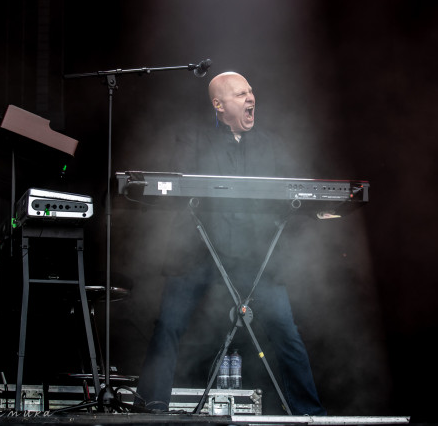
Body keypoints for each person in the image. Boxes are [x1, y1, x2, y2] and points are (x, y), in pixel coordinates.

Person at [135, 72, 326, 416]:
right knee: (169, 325)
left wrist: (318, 208)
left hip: (254, 255)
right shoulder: (192, 139)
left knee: (285, 330)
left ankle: (309, 412)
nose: (251, 98)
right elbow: (177, 187)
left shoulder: (271, 144)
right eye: (241, 94)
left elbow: (296, 190)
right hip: (199, 250)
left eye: (252, 91)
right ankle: (151, 405)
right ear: (219, 105)